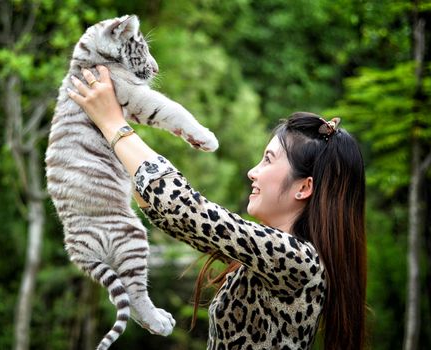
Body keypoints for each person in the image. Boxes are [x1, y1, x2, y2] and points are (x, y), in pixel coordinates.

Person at [66, 66, 367, 350]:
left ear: (304, 187)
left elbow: (184, 208)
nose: (253, 171)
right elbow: (177, 219)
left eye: (268, 160)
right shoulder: (271, 257)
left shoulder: (298, 260)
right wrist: (111, 135)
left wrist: (113, 124)